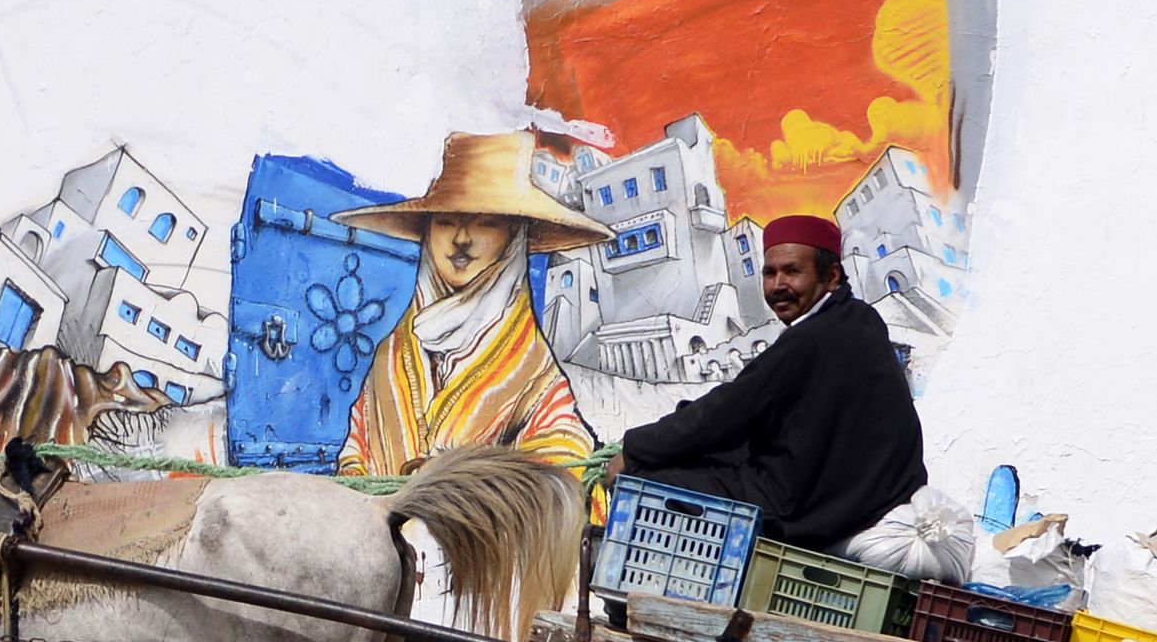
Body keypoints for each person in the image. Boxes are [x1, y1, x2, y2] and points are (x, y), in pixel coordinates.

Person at [619, 212, 927, 554]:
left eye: (793, 271)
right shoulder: (859, 321)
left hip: (812, 508)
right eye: (770, 273)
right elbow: (754, 409)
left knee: (648, 483)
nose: (778, 285)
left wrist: (634, 449)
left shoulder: (813, 338)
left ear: (831, 276)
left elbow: (724, 414)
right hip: (851, 499)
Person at [335, 132, 610, 477]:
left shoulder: (532, 371)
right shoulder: (391, 353)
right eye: (445, 222)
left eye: (486, 222)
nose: (461, 239)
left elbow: (561, 462)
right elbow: (356, 447)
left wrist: (463, 485)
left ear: (513, 240)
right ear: (426, 232)